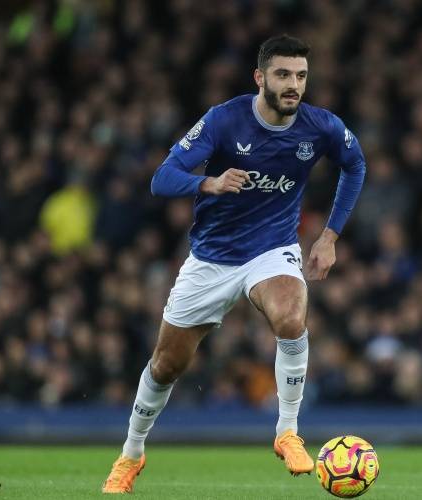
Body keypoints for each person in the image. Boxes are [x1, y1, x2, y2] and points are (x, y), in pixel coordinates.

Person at [102, 34, 366, 494]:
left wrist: (329, 236)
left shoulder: (320, 126)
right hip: (212, 258)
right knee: (166, 365)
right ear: (260, 77)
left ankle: (287, 432)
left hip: (272, 249)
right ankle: (131, 453)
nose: (293, 85)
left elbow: (355, 164)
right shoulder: (224, 120)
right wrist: (208, 183)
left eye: (301, 76)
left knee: (291, 316)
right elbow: (162, 178)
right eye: (283, 74)